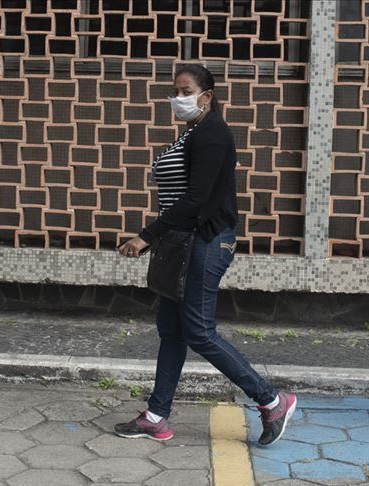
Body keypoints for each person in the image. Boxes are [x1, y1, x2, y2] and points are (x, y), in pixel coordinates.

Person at [115, 65, 296, 446]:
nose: (178, 98)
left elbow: (196, 199)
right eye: (175, 91)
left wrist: (146, 236)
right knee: (171, 331)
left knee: (198, 331)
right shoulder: (193, 131)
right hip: (181, 242)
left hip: (206, 241)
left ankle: (271, 400)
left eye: (186, 91)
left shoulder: (212, 133)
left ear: (207, 96)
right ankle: (156, 417)